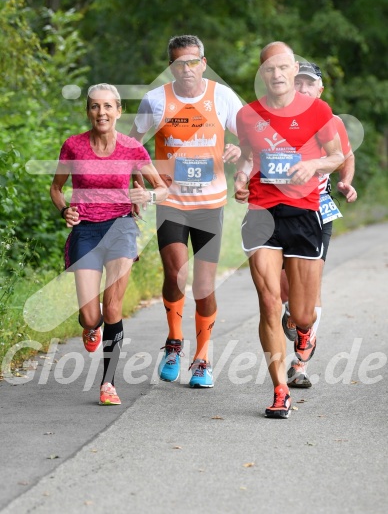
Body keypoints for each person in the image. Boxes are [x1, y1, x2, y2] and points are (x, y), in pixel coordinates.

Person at [234, 42, 344, 419]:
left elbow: (337, 155)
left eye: (283, 68)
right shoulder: (248, 115)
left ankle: (303, 330)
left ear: (292, 69)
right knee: (267, 302)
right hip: (262, 211)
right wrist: (240, 175)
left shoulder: (318, 110)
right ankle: (280, 389)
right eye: (270, 69)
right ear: (262, 74)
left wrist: (313, 167)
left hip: (304, 213)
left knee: (301, 313)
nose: (277, 75)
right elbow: (248, 156)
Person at [130, 34, 242, 388]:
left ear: (203, 64)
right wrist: (138, 186)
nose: (187, 69)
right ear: (171, 67)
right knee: (176, 273)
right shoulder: (155, 101)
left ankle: (203, 358)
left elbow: (251, 139)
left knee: (205, 285)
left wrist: (240, 154)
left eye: (193, 62)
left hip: (210, 206)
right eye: (180, 63)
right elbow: (132, 147)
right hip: (172, 203)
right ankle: (175, 342)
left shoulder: (222, 97)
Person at [50, 83, 168, 406]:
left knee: (113, 307)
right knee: (91, 316)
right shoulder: (73, 146)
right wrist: (65, 210)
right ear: (88, 111)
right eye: (94, 107)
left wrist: (147, 195)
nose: (101, 113)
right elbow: (56, 188)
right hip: (86, 230)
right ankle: (91, 328)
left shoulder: (132, 148)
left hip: (121, 230)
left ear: (119, 111)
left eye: (107, 107)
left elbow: (162, 188)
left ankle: (108, 383)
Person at [282, 62, 357, 388]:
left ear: (319, 90)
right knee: (284, 286)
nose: (301, 88)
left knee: (310, 286)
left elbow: (346, 156)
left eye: (308, 83)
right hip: (277, 207)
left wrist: (345, 183)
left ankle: (300, 364)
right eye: (295, 82)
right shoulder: (273, 119)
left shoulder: (331, 121)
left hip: (317, 208)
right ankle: (295, 318)